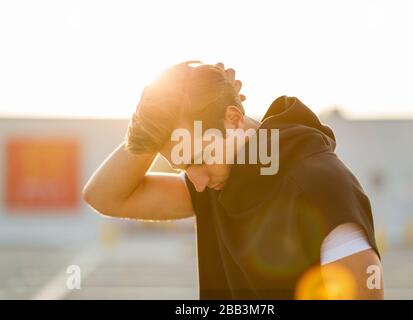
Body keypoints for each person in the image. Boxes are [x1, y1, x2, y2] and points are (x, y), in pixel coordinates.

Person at [82, 61, 384, 299]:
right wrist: (153, 128)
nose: (196, 181)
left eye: (199, 158)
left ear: (235, 119)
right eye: (183, 166)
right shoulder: (214, 182)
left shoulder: (320, 185)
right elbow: (104, 196)